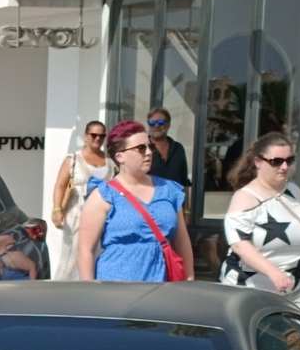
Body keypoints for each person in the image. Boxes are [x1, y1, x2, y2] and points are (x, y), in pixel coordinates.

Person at [78, 120, 194, 283]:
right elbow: (85, 250)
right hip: (117, 288)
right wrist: (89, 290)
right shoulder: (103, 195)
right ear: (120, 156)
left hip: (163, 285)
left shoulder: (169, 190)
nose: (149, 152)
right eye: (141, 148)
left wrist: (189, 279)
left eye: (149, 146)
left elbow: (181, 240)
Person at [219, 138, 300, 293]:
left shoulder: (294, 191)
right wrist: (274, 272)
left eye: (289, 160)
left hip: (295, 283)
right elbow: (239, 245)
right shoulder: (245, 197)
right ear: (258, 161)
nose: (284, 167)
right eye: (276, 161)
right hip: (250, 286)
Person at [48, 119, 109, 279]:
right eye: (94, 135)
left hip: (103, 218)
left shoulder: (111, 161)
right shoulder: (73, 159)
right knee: (71, 258)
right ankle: (61, 295)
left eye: (102, 136)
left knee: (96, 256)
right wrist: (57, 209)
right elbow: (60, 185)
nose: (98, 139)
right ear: (86, 136)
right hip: (76, 215)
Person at [145, 109, 194, 190]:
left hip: (174, 202)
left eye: (160, 122)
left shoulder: (178, 148)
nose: (156, 126)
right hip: (150, 201)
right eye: (152, 123)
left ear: (168, 124)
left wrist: (186, 203)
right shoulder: (142, 149)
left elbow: (184, 182)